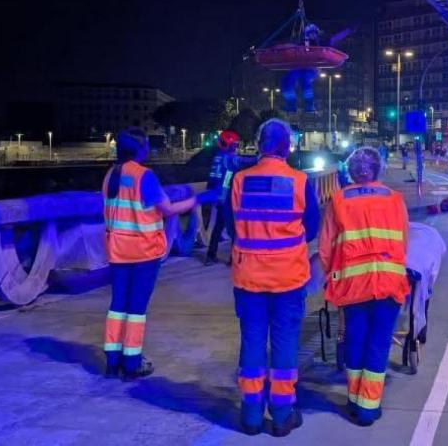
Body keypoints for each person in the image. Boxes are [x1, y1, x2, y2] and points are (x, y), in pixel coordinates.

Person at [225, 119, 321, 436]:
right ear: (288, 146)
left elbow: (229, 226)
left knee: (252, 340)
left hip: (248, 277)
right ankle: (281, 415)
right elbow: (313, 227)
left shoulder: (239, 180)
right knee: (284, 344)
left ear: (258, 144)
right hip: (288, 278)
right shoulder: (299, 181)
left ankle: (251, 415)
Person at [319, 146, 409, 426]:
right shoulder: (394, 199)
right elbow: (403, 241)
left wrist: (333, 276)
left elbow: (325, 247)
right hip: (388, 281)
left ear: (351, 172)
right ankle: (369, 407)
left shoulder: (339, 199)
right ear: (378, 170)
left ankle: (355, 400)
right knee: (379, 341)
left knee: (355, 338)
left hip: (353, 284)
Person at [102, 128, 197, 380]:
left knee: (117, 306)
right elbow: (166, 209)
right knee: (136, 309)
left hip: (117, 250)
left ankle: (112, 361)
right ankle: (132, 362)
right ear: (141, 149)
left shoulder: (111, 175)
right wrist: (193, 202)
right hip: (143, 251)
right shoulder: (144, 175)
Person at [203, 130, 241, 266]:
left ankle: (211, 256)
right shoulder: (229, 158)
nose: (236, 148)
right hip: (227, 197)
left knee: (218, 227)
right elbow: (244, 162)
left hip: (218, 195)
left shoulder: (218, 156)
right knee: (235, 228)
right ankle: (233, 259)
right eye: (235, 145)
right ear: (229, 145)